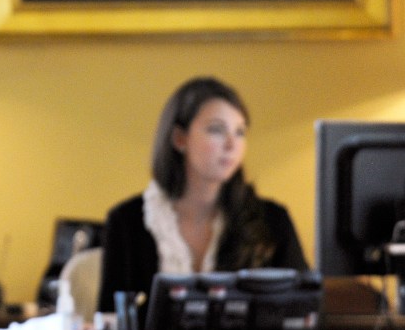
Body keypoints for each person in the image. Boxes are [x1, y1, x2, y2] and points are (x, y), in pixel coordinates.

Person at [96, 76, 308, 315]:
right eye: (216, 130)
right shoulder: (125, 221)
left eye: (240, 132)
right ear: (180, 138)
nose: (232, 144)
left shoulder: (274, 221)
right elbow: (110, 325)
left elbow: (305, 312)